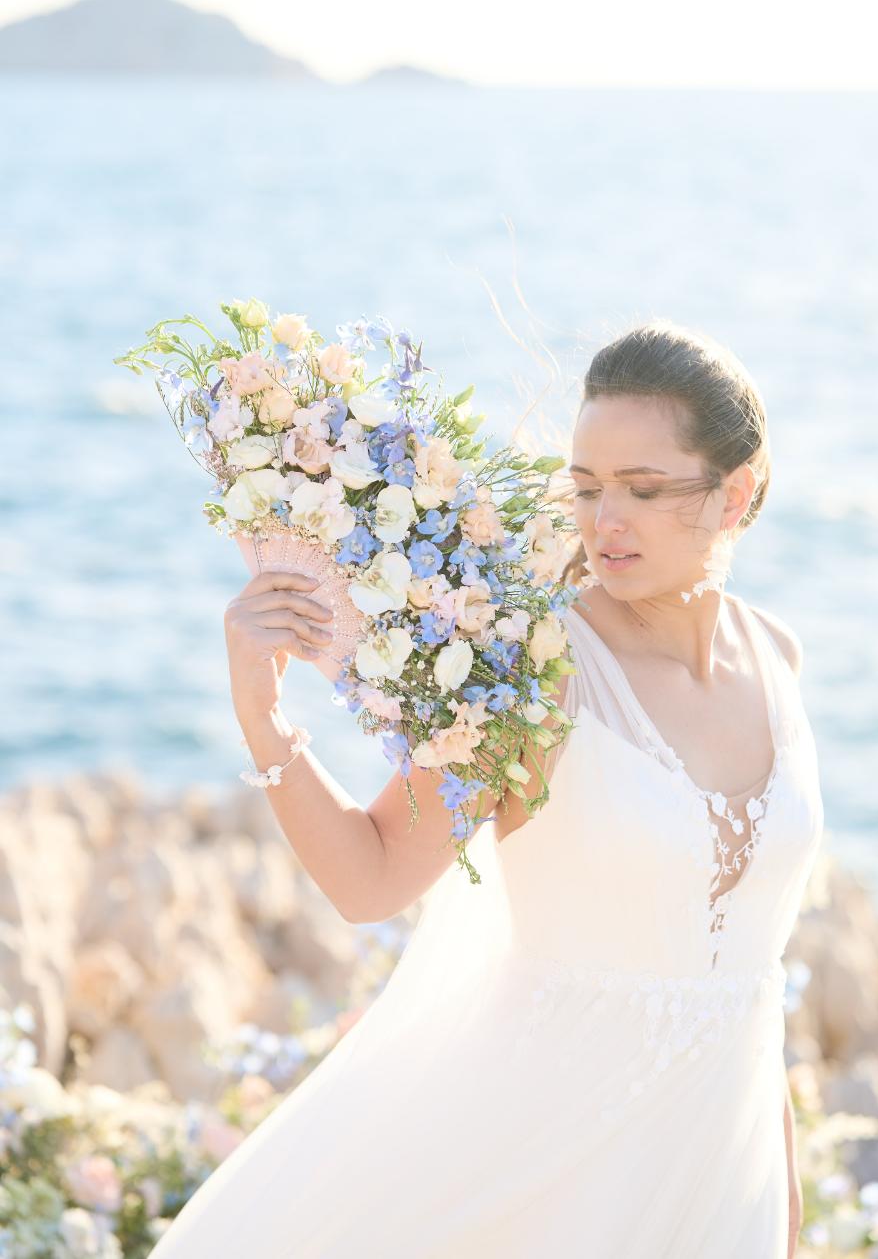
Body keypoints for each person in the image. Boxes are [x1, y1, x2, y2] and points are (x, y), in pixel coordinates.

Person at [148, 320, 824, 1259]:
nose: (604, 523)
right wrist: (263, 720)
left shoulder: (777, 657)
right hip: (544, 1172)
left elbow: (755, 982)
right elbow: (371, 878)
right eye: (587, 489)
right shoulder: (536, 669)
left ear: (736, 492)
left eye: (644, 489)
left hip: (718, 1176)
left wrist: (780, 1204)